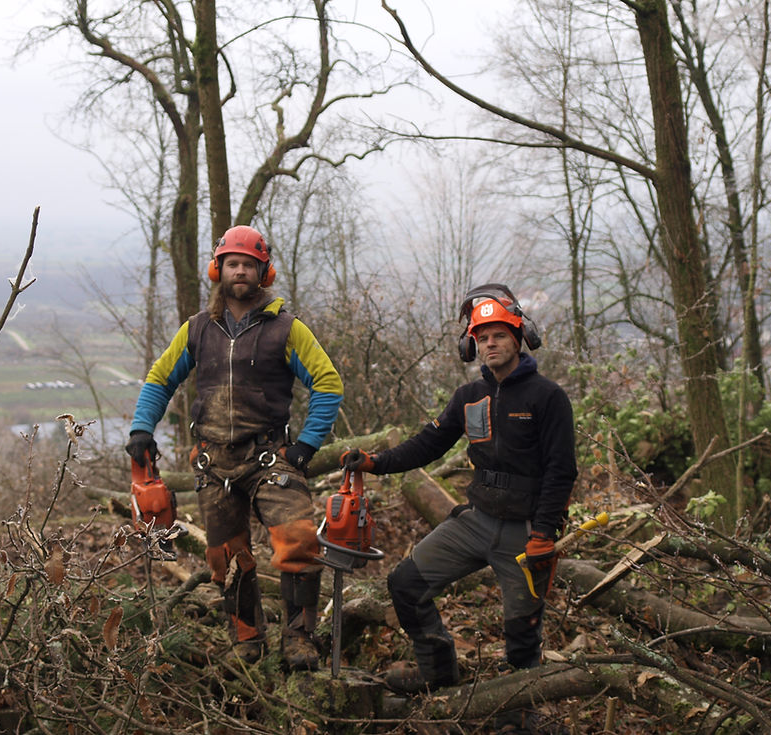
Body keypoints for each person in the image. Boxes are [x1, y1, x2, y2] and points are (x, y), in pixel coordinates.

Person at [126, 225, 343, 670]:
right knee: (225, 554)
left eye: (249, 264)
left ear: (264, 272)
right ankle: (247, 640)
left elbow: (328, 383)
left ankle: (299, 639)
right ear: (217, 269)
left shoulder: (287, 329)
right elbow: (159, 379)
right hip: (214, 461)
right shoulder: (197, 330)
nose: (240, 271)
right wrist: (140, 430)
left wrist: (305, 446)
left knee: (299, 540)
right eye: (232, 263)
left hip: (269, 456)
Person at [341, 283, 577, 691]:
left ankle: (516, 718)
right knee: (406, 584)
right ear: (472, 347)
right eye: (481, 338)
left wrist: (544, 532)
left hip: (525, 533)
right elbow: (429, 444)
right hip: (476, 521)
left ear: (520, 337)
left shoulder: (548, 397)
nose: (490, 344)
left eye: (499, 335)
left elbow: (562, 470)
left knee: (523, 635)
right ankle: (439, 677)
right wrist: (377, 463)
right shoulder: (469, 396)